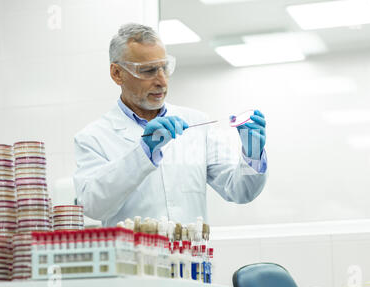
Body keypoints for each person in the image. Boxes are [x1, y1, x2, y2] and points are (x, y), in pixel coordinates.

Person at [73, 23, 268, 227]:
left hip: (192, 257)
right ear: (117, 73)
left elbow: (240, 191)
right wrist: (143, 153)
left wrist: (252, 154)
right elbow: (93, 207)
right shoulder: (94, 137)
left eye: (164, 68)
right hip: (133, 258)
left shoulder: (197, 124)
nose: (162, 81)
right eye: (148, 71)